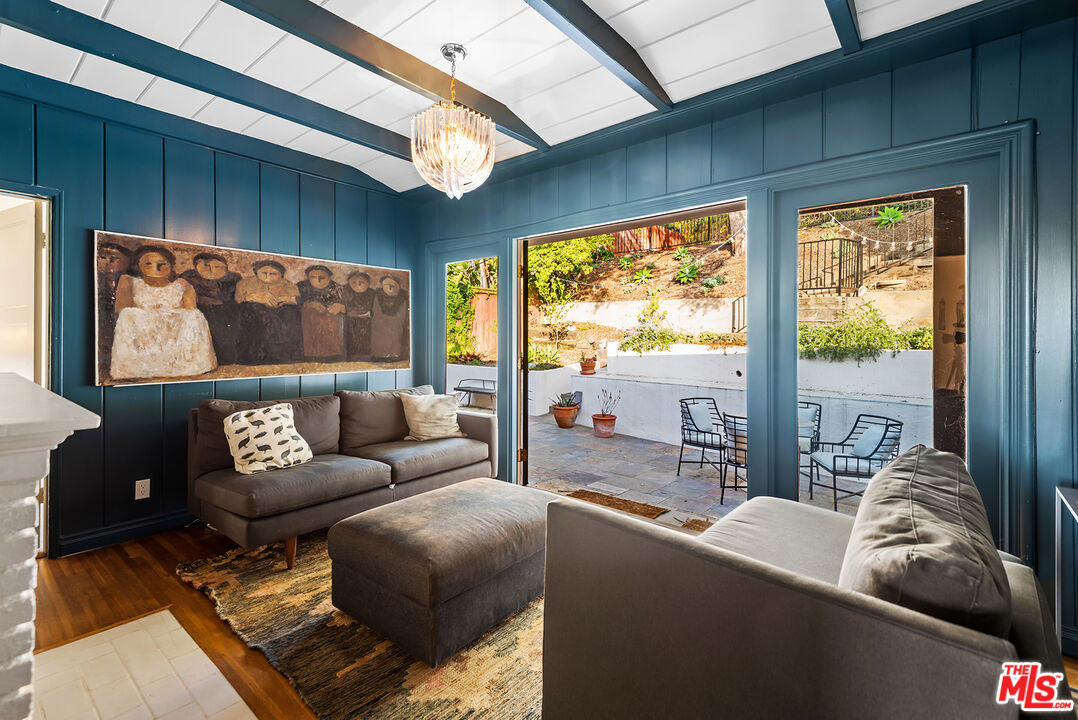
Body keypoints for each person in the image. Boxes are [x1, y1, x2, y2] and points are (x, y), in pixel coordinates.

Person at [109, 245, 217, 380]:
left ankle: (184, 364)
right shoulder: (129, 282)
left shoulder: (181, 285)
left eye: (162, 264)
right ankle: (139, 367)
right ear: (138, 265)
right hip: (144, 331)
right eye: (148, 263)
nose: (156, 268)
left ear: (171, 265)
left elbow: (191, 311)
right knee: (128, 315)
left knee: (195, 316)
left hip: (174, 331)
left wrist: (168, 314)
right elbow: (122, 309)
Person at [234, 259, 301, 365]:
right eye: (264, 273)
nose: (268, 277)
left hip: (279, 314)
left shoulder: (288, 284)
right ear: (257, 273)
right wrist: (254, 297)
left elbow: (296, 299)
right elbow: (238, 299)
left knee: (289, 313)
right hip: (255, 315)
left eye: (273, 274)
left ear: (281, 275)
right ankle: (254, 357)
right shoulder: (245, 283)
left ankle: (282, 356)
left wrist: (286, 299)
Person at [181, 252, 241, 366]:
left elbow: (234, 298)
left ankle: (226, 359)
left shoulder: (233, 279)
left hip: (226, 312)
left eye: (217, 266)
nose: (211, 270)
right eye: (206, 266)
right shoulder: (189, 277)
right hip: (199, 310)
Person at [97, 242, 133, 375]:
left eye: (113, 259)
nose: (107, 263)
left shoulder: (131, 283)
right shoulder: (97, 282)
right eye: (102, 257)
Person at [297, 265, 346, 362]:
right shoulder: (301, 287)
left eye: (322, 277)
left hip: (332, 331)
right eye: (313, 277)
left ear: (329, 277)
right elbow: (293, 305)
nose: (318, 281)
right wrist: (307, 305)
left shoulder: (337, 288)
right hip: (309, 331)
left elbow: (349, 307)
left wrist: (341, 307)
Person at [370, 274, 409, 362]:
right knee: (379, 337)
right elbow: (374, 310)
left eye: (393, 285)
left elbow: (403, 313)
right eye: (386, 285)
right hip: (380, 324)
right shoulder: (377, 295)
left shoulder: (403, 296)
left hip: (396, 323)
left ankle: (395, 356)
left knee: (396, 337)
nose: (389, 288)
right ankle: (378, 356)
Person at [342, 271, 375, 361]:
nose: (357, 285)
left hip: (366, 321)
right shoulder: (345, 291)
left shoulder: (372, 293)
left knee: (365, 339)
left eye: (361, 283)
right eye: (354, 282)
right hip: (349, 321)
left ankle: (365, 357)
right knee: (350, 339)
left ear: (368, 283)